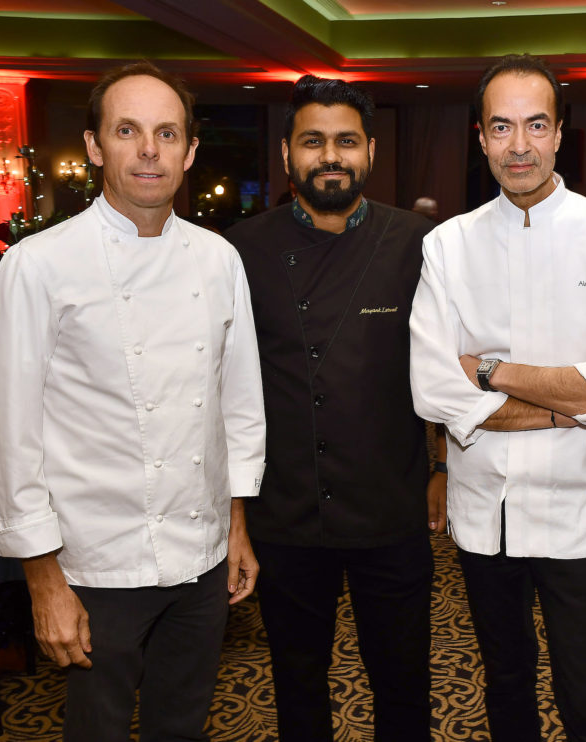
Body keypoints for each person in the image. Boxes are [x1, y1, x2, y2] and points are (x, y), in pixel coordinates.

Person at [0, 61, 265, 741]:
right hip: (93, 564)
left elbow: (236, 404)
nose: (148, 150)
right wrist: (43, 580)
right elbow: (8, 433)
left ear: (190, 151)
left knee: (181, 724)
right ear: (94, 145)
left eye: (167, 134)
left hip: (199, 557)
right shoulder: (39, 265)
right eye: (128, 130)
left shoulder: (218, 259)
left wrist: (236, 526)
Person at [409, 54, 586, 742]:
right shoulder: (447, 247)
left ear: (559, 133)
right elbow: (433, 389)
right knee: (505, 681)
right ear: (480, 138)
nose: (519, 145)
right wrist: (572, 395)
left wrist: (489, 371)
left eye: (536, 125)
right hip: (488, 512)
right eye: (501, 127)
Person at [224, 75, 437, 742]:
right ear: (287, 154)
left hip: (391, 514)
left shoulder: (420, 244)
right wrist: (235, 518)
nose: (330, 156)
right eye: (312, 142)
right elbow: (225, 391)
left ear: (370, 151)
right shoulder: (240, 250)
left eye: (346, 141)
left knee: (404, 688)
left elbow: (452, 366)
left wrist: (445, 469)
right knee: (297, 689)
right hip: (286, 518)